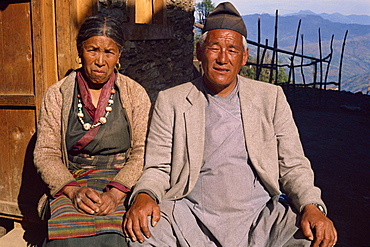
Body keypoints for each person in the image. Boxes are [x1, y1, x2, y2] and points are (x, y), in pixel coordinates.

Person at [124, 2, 337, 247]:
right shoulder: (171, 101)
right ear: (200, 51)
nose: (222, 59)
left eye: (232, 50)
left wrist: (312, 205)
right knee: (144, 234)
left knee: (312, 237)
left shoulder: (270, 98)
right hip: (189, 214)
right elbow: (158, 166)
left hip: (260, 217)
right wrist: (144, 194)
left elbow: (293, 165)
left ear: (244, 57)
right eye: (214, 48)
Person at [33, 15, 151, 246]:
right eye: (92, 50)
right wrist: (73, 190)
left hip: (121, 180)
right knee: (67, 235)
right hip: (73, 179)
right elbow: (45, 153)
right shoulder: (57, 94)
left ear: (119, 55)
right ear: (80, 51)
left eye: (109, 52)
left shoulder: (134, 94)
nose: (100, 60)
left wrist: (116, 193)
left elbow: (142, 152)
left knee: (121, 232)